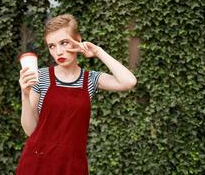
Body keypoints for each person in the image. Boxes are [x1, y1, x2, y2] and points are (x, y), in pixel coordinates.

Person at [16, 14, 137, 175]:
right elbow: (31, 131)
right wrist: (25, 94)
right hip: (37, 163)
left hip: (72, 166)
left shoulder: (90, 80)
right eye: (52, 46)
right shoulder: (41, 76)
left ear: (78, 40)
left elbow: (128, 81)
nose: (58, 51)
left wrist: (98, 51)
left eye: (64, 43)